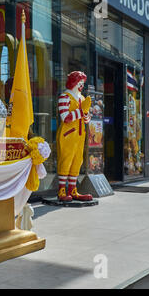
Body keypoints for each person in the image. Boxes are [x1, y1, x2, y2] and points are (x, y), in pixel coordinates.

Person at [56, 71, 93, 202]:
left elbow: (85, 118)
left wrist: (87, 115)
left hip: (80, 135)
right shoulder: (64, 97)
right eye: (79, 83)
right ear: (73, 82)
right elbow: (65, 118)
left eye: (83, 83)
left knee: (77, 161)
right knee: (66, 160)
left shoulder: (82, 98)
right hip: (67, 136)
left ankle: (73, 190)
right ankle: (61, 190)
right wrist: (82, 111)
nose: (81, 86)